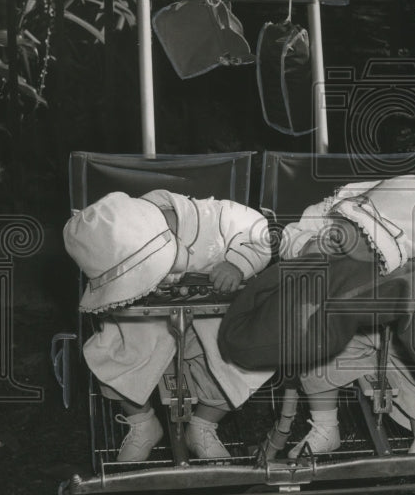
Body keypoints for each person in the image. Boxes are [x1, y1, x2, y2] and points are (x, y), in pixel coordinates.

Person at [278, 174, 415, 457]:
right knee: (316, 350)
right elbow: (291, 235)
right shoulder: (329, 214)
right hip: (344, 315)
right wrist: (308, 246)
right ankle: (325, 426)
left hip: (398, 322)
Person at [63, 188, 272, 462]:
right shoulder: (122, 235)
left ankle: (203, 425)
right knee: (114, 352)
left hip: (210, 319)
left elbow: (259, 232)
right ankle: (142, 422)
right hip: (148, 321)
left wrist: (237, 264)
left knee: (234, 361)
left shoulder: (218, 218)